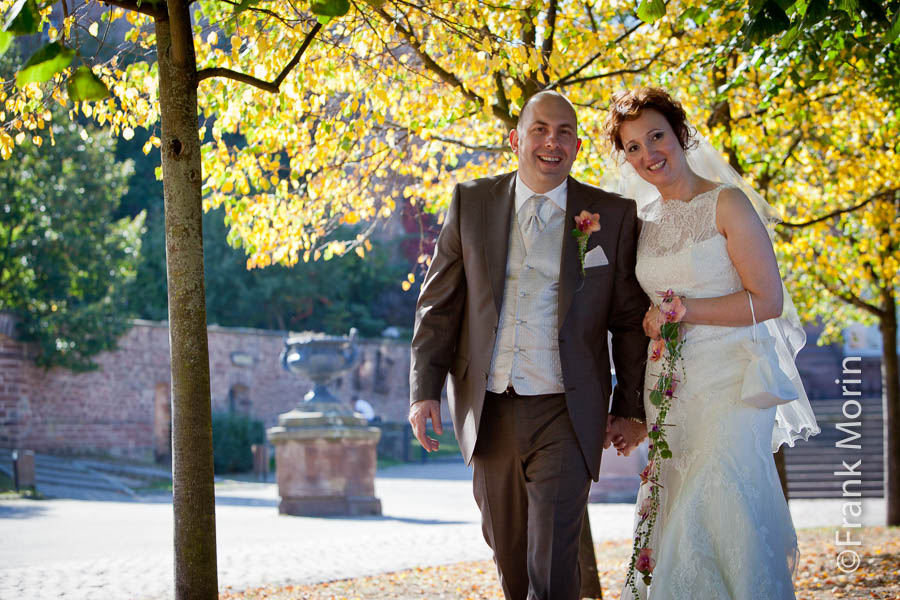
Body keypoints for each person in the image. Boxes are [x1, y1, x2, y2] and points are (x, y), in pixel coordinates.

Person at [409, 90, 650, 600]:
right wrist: (423, 389)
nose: (551, 141)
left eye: (564, 132)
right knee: (511, 563)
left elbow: (629, 321)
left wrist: (630, 406)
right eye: (540, 129)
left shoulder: (613, 214)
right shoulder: (470, 203)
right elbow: (439, 306)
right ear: (516, 138)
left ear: (578, 147)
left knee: (553, 560)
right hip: (489, 408)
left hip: (566, 409)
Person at [603, 87, 820, 599]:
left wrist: (687, 312)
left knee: (718, 497)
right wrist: (633, 410)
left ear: (680, 134)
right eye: (632, 147)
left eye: (656, 136)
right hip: (670, 389)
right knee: (675, 503)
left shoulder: (727, 203)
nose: (648, 154)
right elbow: (636, 318)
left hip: (731, 383)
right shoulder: (644, 222)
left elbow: (766, 300)